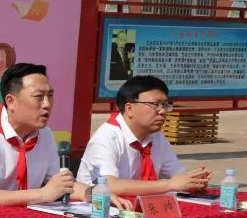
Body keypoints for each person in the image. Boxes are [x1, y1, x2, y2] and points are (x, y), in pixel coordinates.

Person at [0, 63, 93, 210]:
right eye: (38, 96)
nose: (47, 104)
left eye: (50, 96)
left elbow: (61, 185)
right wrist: (41, 194)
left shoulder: (45, 134)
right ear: (11, 101)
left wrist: (95, 193)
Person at [79, 75, 211, 196]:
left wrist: (193, 181)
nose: (163, 111)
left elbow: (178, 174)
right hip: (98, 209)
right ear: (129, 108)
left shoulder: (156, 137)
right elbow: (108, 186)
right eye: (155, 105)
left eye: (165, 105)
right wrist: (169, 184)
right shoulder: (106, 137)